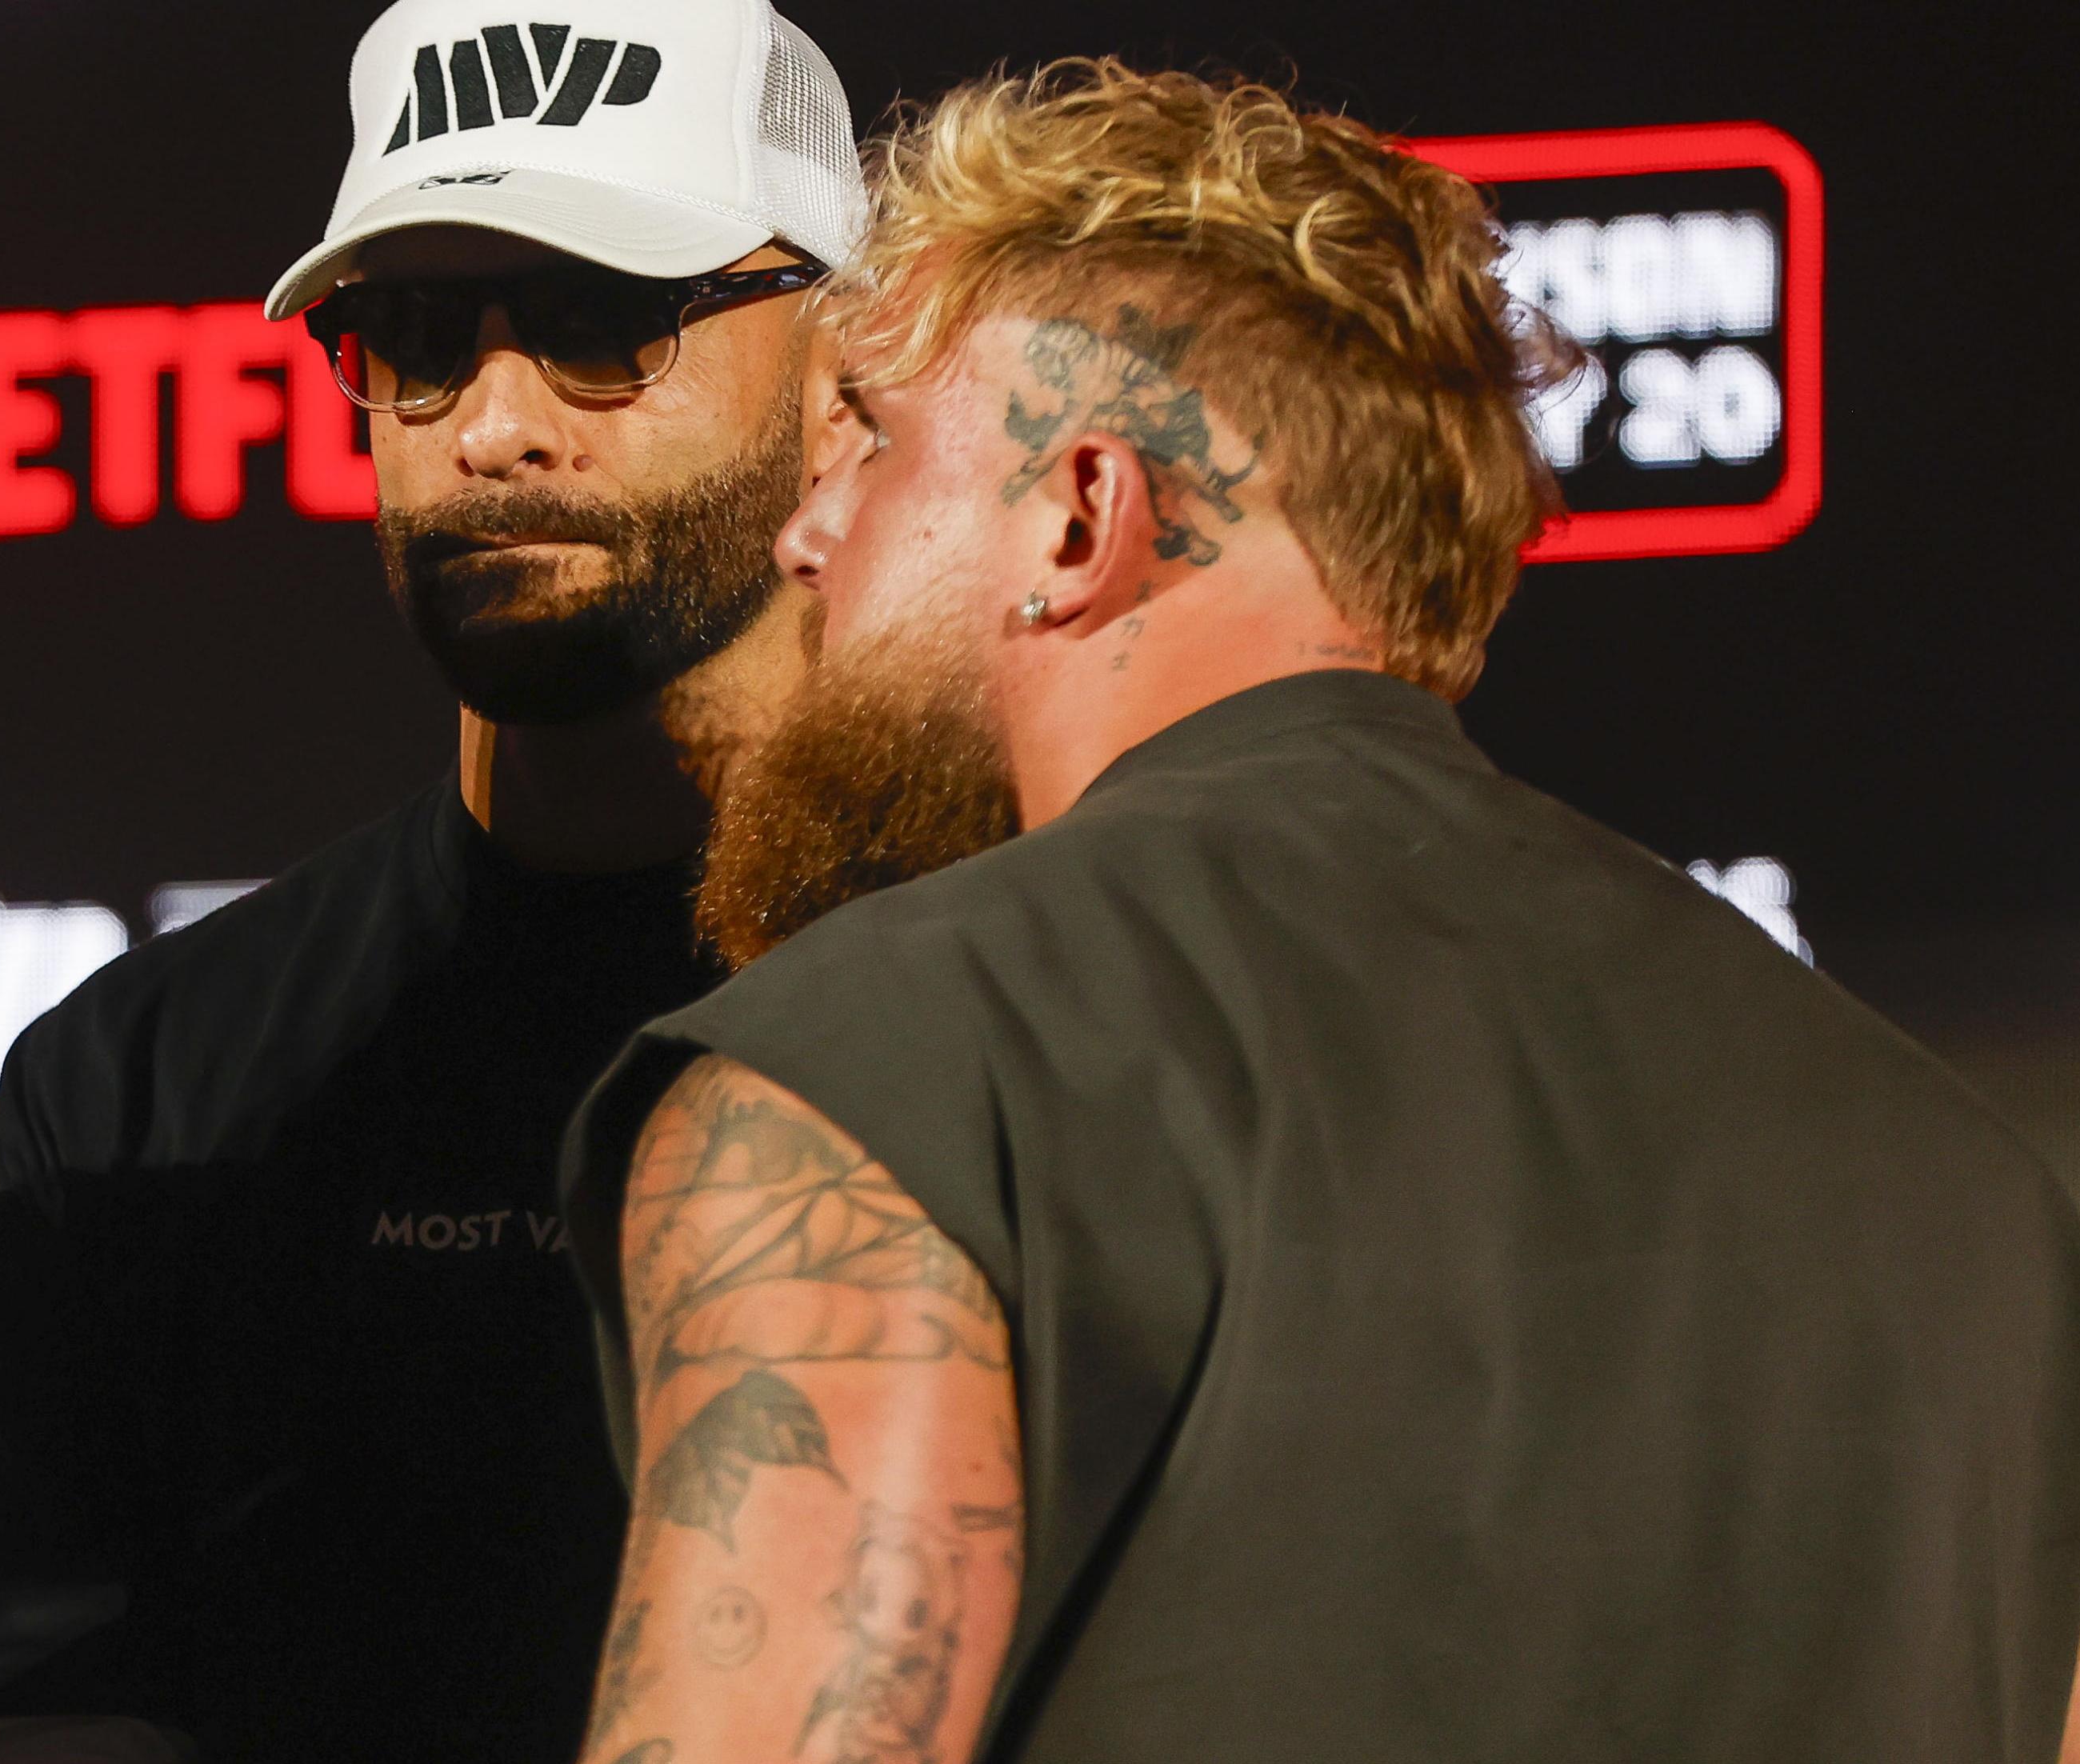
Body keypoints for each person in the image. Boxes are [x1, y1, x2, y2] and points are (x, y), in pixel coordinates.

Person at [562, 59, 2080, 1764]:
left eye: (865, 438)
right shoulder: (1979, 1198)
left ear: (1080, 514)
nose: (806, 531)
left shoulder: (879, 1070)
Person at [0, 4, 862, 1759]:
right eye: (413, 337)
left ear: (841, 360)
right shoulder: (139, 1089)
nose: (489, 427)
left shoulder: (1030, 1009)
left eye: (599, 324)